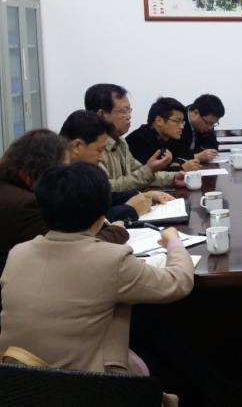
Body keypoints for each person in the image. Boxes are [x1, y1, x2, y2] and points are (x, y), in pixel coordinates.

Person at [0, 162, 194, 375]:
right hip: (87, 383)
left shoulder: (18, 253)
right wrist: (174, 243)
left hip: (17, 381)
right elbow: (178, 282)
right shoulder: (112, 259)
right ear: (102, 214)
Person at [0, 129, 127, 275]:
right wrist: (116, 232)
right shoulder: (27, 204)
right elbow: (69, 252)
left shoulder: (10, 189)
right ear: (46, 169)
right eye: (63, 170)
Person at [59, 109, 174, 223]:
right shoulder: (57, 177)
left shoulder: (75, 170)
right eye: (99, 150)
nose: (102, 158)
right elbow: (86, 221)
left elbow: (102, 198)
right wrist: (130, 209)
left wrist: (143, 195)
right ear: (77, 146)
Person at [85, 83, 184, 191]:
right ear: (101, 115)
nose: (129, 116)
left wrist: (173, 178)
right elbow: (107, 188)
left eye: (129, 110)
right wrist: (149, 170)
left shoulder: (121, 142)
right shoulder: (90, 146)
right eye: (123, 111)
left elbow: (140, 173)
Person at [125, 97, 201, 172]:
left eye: (182, 122)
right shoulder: (138, 140)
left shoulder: (169, 137)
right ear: (159, 121)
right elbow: (145, 174)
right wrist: (181, 168)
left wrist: (178, 162)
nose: (182, 126)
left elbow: (184, 154)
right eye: (177, 121)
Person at [173, 94, 225, 163]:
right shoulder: (177, 121)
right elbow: (173, 154)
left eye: (213, 124)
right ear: (196, 113)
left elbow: (212, 149)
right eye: (208, 123)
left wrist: (206, 154)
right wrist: (196, 156)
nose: (210, 128)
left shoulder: (208, 125)